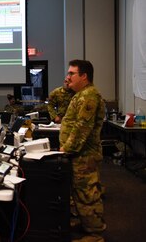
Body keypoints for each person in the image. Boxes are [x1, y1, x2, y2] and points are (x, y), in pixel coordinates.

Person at [60, 60, 106, 242]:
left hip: (84, 156)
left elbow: (81, 127)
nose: (67, 77)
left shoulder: (89, 96)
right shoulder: (81, 94)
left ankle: (95, 234)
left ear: (84, 76)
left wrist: (67, 148)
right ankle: (86, 224)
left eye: (72, 73)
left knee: (88, 194)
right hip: (78, 155)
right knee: (79, 193)